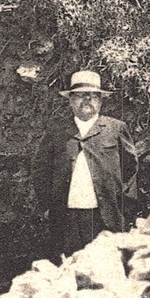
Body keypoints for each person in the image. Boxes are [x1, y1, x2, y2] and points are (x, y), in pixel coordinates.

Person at [32, 69, 139, 259]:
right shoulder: (57, 131)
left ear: (101, 100)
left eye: (93, 96)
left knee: (107, 266)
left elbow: (131, 168)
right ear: (71, 100)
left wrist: (124, 207)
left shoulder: (115, 129)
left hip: (105, 216)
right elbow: (41, 170)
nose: (87, 100)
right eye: (81, 96)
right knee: (69, 268)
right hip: (66, 218)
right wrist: (48, 205)